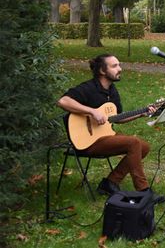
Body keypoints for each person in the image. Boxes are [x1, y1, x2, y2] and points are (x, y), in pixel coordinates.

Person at [57, 54, 159, 198]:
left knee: (144, 146)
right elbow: (63, 101)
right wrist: (92, 111)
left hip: (105, 136)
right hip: (87, 141)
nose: (120, 69)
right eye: (114, 66)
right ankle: (144, 191)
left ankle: (110, 183)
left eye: (119, 65)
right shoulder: (88, 88)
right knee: (133, 142)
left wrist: (142, 113)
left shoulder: (112, 91)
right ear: (102, 71)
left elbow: (117, 119)